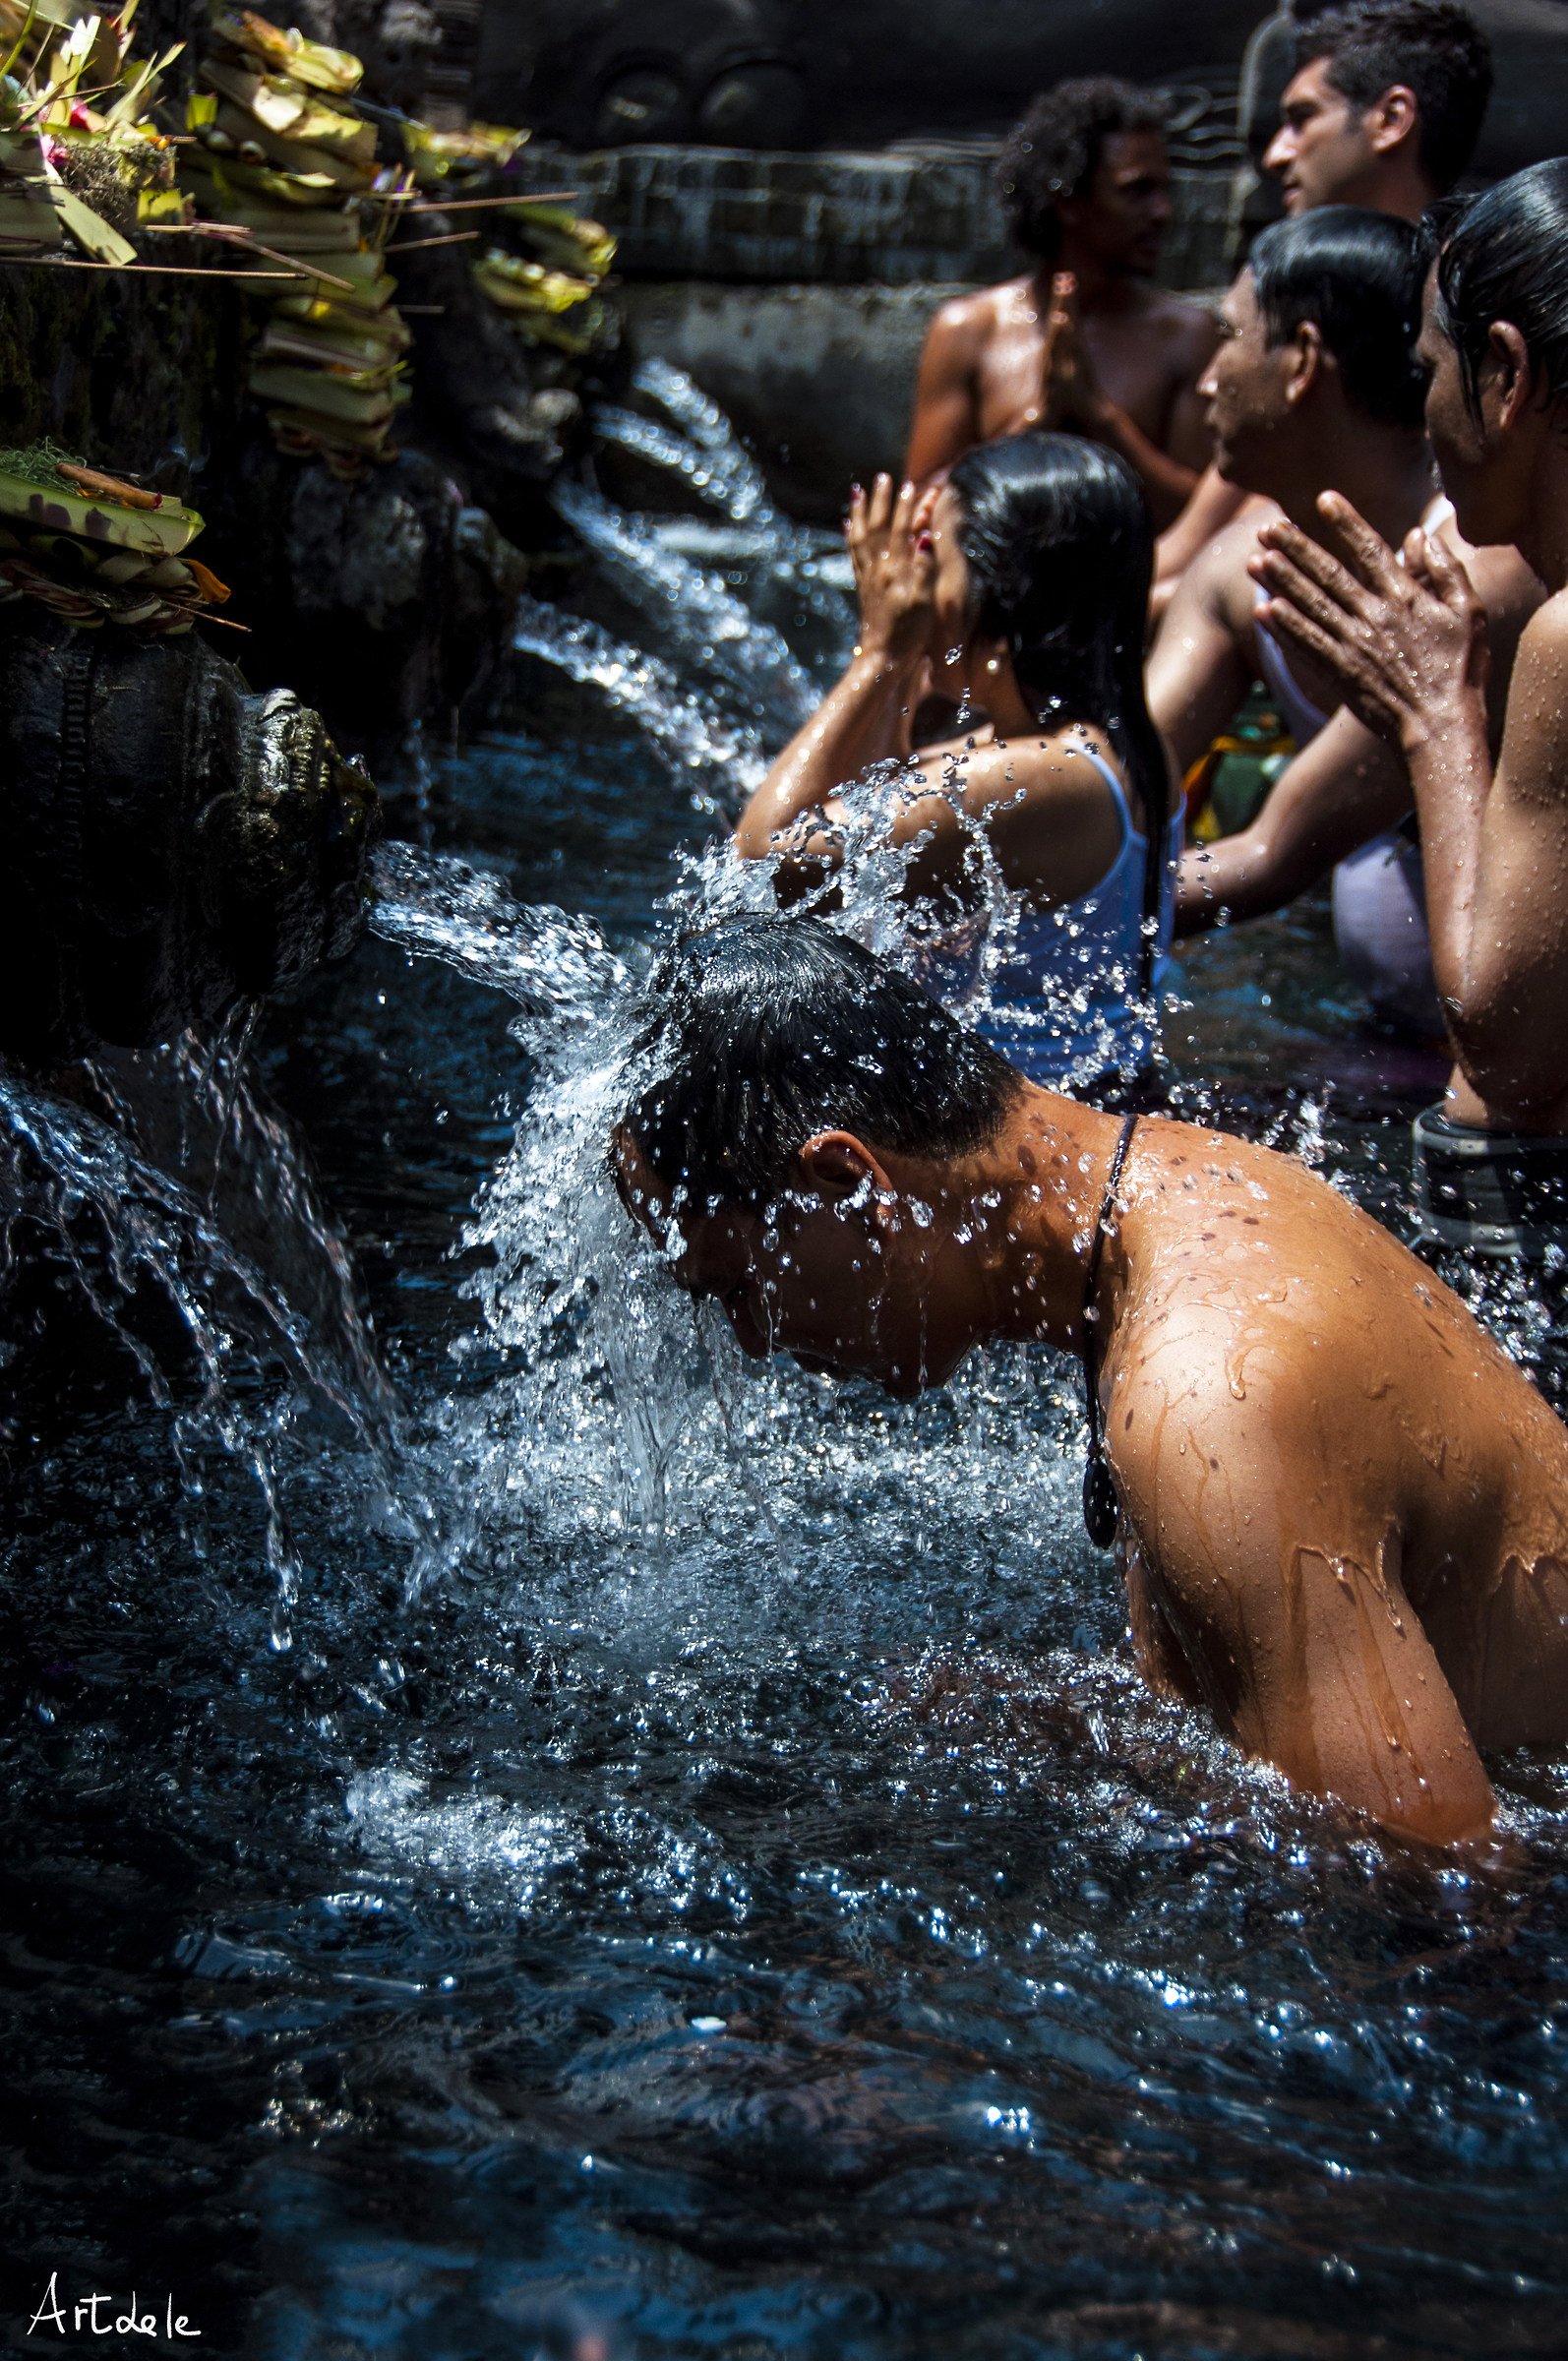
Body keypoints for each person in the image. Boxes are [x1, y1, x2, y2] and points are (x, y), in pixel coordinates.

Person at [613, 915, 1568, 1847]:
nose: (749, 1338)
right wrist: (1079, 1732)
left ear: (852, 1187)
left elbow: (1430, 1888)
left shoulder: (1205, 1400)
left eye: (736, 1283)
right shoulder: (1190, 1189)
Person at [1250, 159, 1568, 1254]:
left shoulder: (1565, 637)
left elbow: (1503, 1044)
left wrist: (1435, 708)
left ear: (1507, 375)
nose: (1424, 413)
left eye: (1432, 369)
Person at [1149, 207, 1539, 1038]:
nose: (1209, 377)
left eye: (1232, 336)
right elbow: (1118, 777)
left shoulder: (1478, 580)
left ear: (1300, 361)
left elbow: (1273, 852)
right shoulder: (1240, 564)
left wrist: (1029, 916)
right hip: (1387, 1032)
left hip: (1493, 1063)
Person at [734, 435, 1178, 1094]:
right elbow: (873, 830)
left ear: (998, 592)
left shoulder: (1042, 777)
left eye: (930, 559)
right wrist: (908, 656)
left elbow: (767, 861)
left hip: (1038, 1143)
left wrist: (881, 650)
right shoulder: (1103, 747)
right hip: (1078, 1108)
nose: (910, 584)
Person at [1151, 0, 1494, 612]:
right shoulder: (1286, 297)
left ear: (1391, 118)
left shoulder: (1481, 317)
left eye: (1302, 119)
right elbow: (1188, 551)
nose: (1278, 154)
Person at [902, 80, 1218, 529]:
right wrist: (1037, 423)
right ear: (1068, 202)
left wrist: (1100, 417)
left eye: (1165, 190)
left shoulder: (1187, 338)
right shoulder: (968, 331)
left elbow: (1203, 524)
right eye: (1137, 190)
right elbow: (919, 515)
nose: (1163, 211)